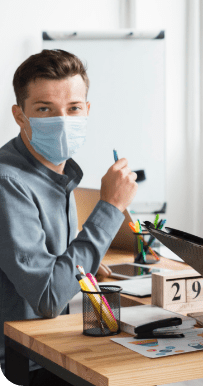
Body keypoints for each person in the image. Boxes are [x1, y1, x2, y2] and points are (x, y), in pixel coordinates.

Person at [0, 49, 138, 385]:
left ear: (86, 111)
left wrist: (82, 266)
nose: (63, 120)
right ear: (20, 116)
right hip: (19, 365)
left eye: (73, 108)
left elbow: (48, 265)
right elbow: (48, 298)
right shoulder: (8, 181)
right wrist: (109, 208)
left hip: (47, 347)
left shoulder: (59, 174)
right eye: (45, 110)